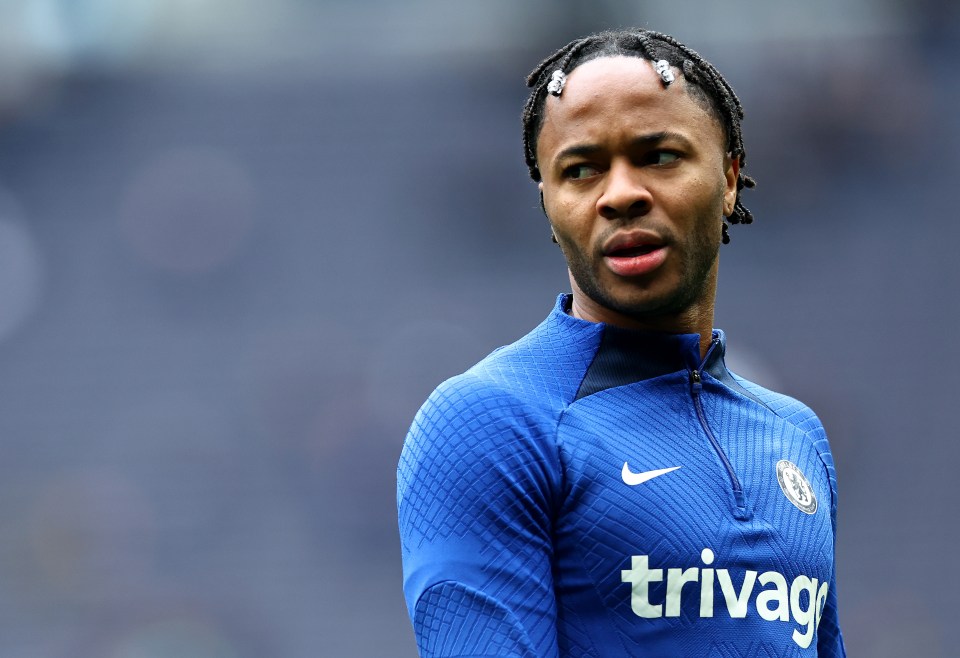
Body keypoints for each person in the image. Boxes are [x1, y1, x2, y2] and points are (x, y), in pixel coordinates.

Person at [397, 28, 845, 657]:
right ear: (548, 203)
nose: (621, 195)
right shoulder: (488, 422)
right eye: (580, 170)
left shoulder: (795, 435)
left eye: (659, 155)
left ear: (730, 178)